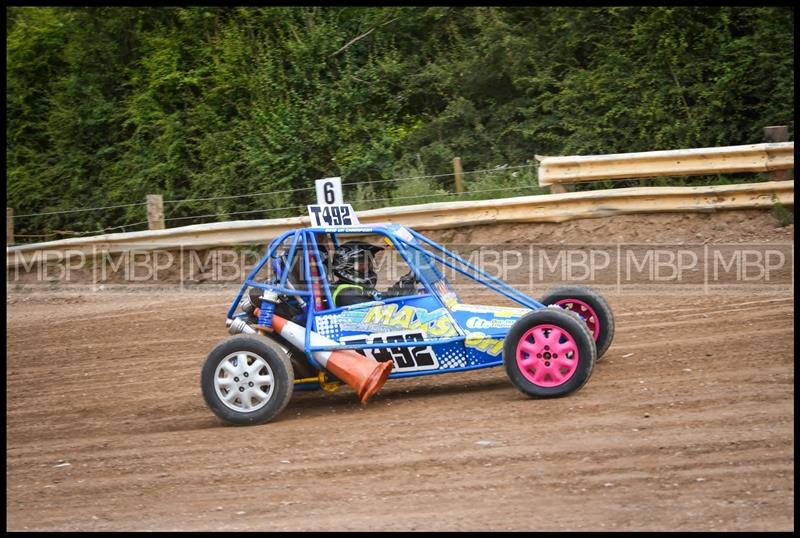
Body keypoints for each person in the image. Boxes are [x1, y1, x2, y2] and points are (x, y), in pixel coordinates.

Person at [330, 241, 418, 307]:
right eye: (362, 265)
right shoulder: (347, 294)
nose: (368, 268)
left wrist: (406, 283)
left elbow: (381, 298)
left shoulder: (358, 288)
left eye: (369, 263)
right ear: (346, 267)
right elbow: (376, 317)